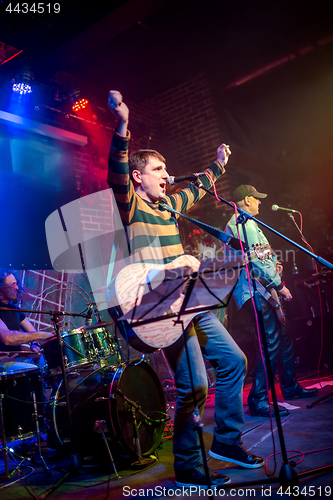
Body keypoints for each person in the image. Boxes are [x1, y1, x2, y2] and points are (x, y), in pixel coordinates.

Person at [106, 91, 263, 488]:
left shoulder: (170, 207)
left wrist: (219, 163)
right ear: (139, 176)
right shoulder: (131, 205)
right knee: (195, 384)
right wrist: (123, 127)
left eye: (166, 169)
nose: (166, 174)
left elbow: (203, 184)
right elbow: (116, 173)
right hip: (163, 309)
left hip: (192, 303)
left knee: (234, 361)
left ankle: (226, 442)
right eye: (158, 169)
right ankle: (190, 467)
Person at [225, 185, 318, 418]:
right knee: (270, 342)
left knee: (284, 334)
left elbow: (262, 254)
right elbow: (254, 262)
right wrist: (278, 284)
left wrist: (275, 264)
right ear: (246, 200)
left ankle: (289, 386)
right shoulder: (242, 224)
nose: (260, 203)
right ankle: (257, 399)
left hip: (262, 288)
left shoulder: (249, 223)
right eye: (257, 199)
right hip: (255, 291)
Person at [0, 269, 54, 372]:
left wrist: (34, 343)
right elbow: (7, 338)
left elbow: (32, 334)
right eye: (13, 285)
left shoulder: (15, 309)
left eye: (16, 284)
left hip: (16, 360)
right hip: (2, 363)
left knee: (48, 363)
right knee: (32, 370)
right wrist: (42, 335)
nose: (17, 288)